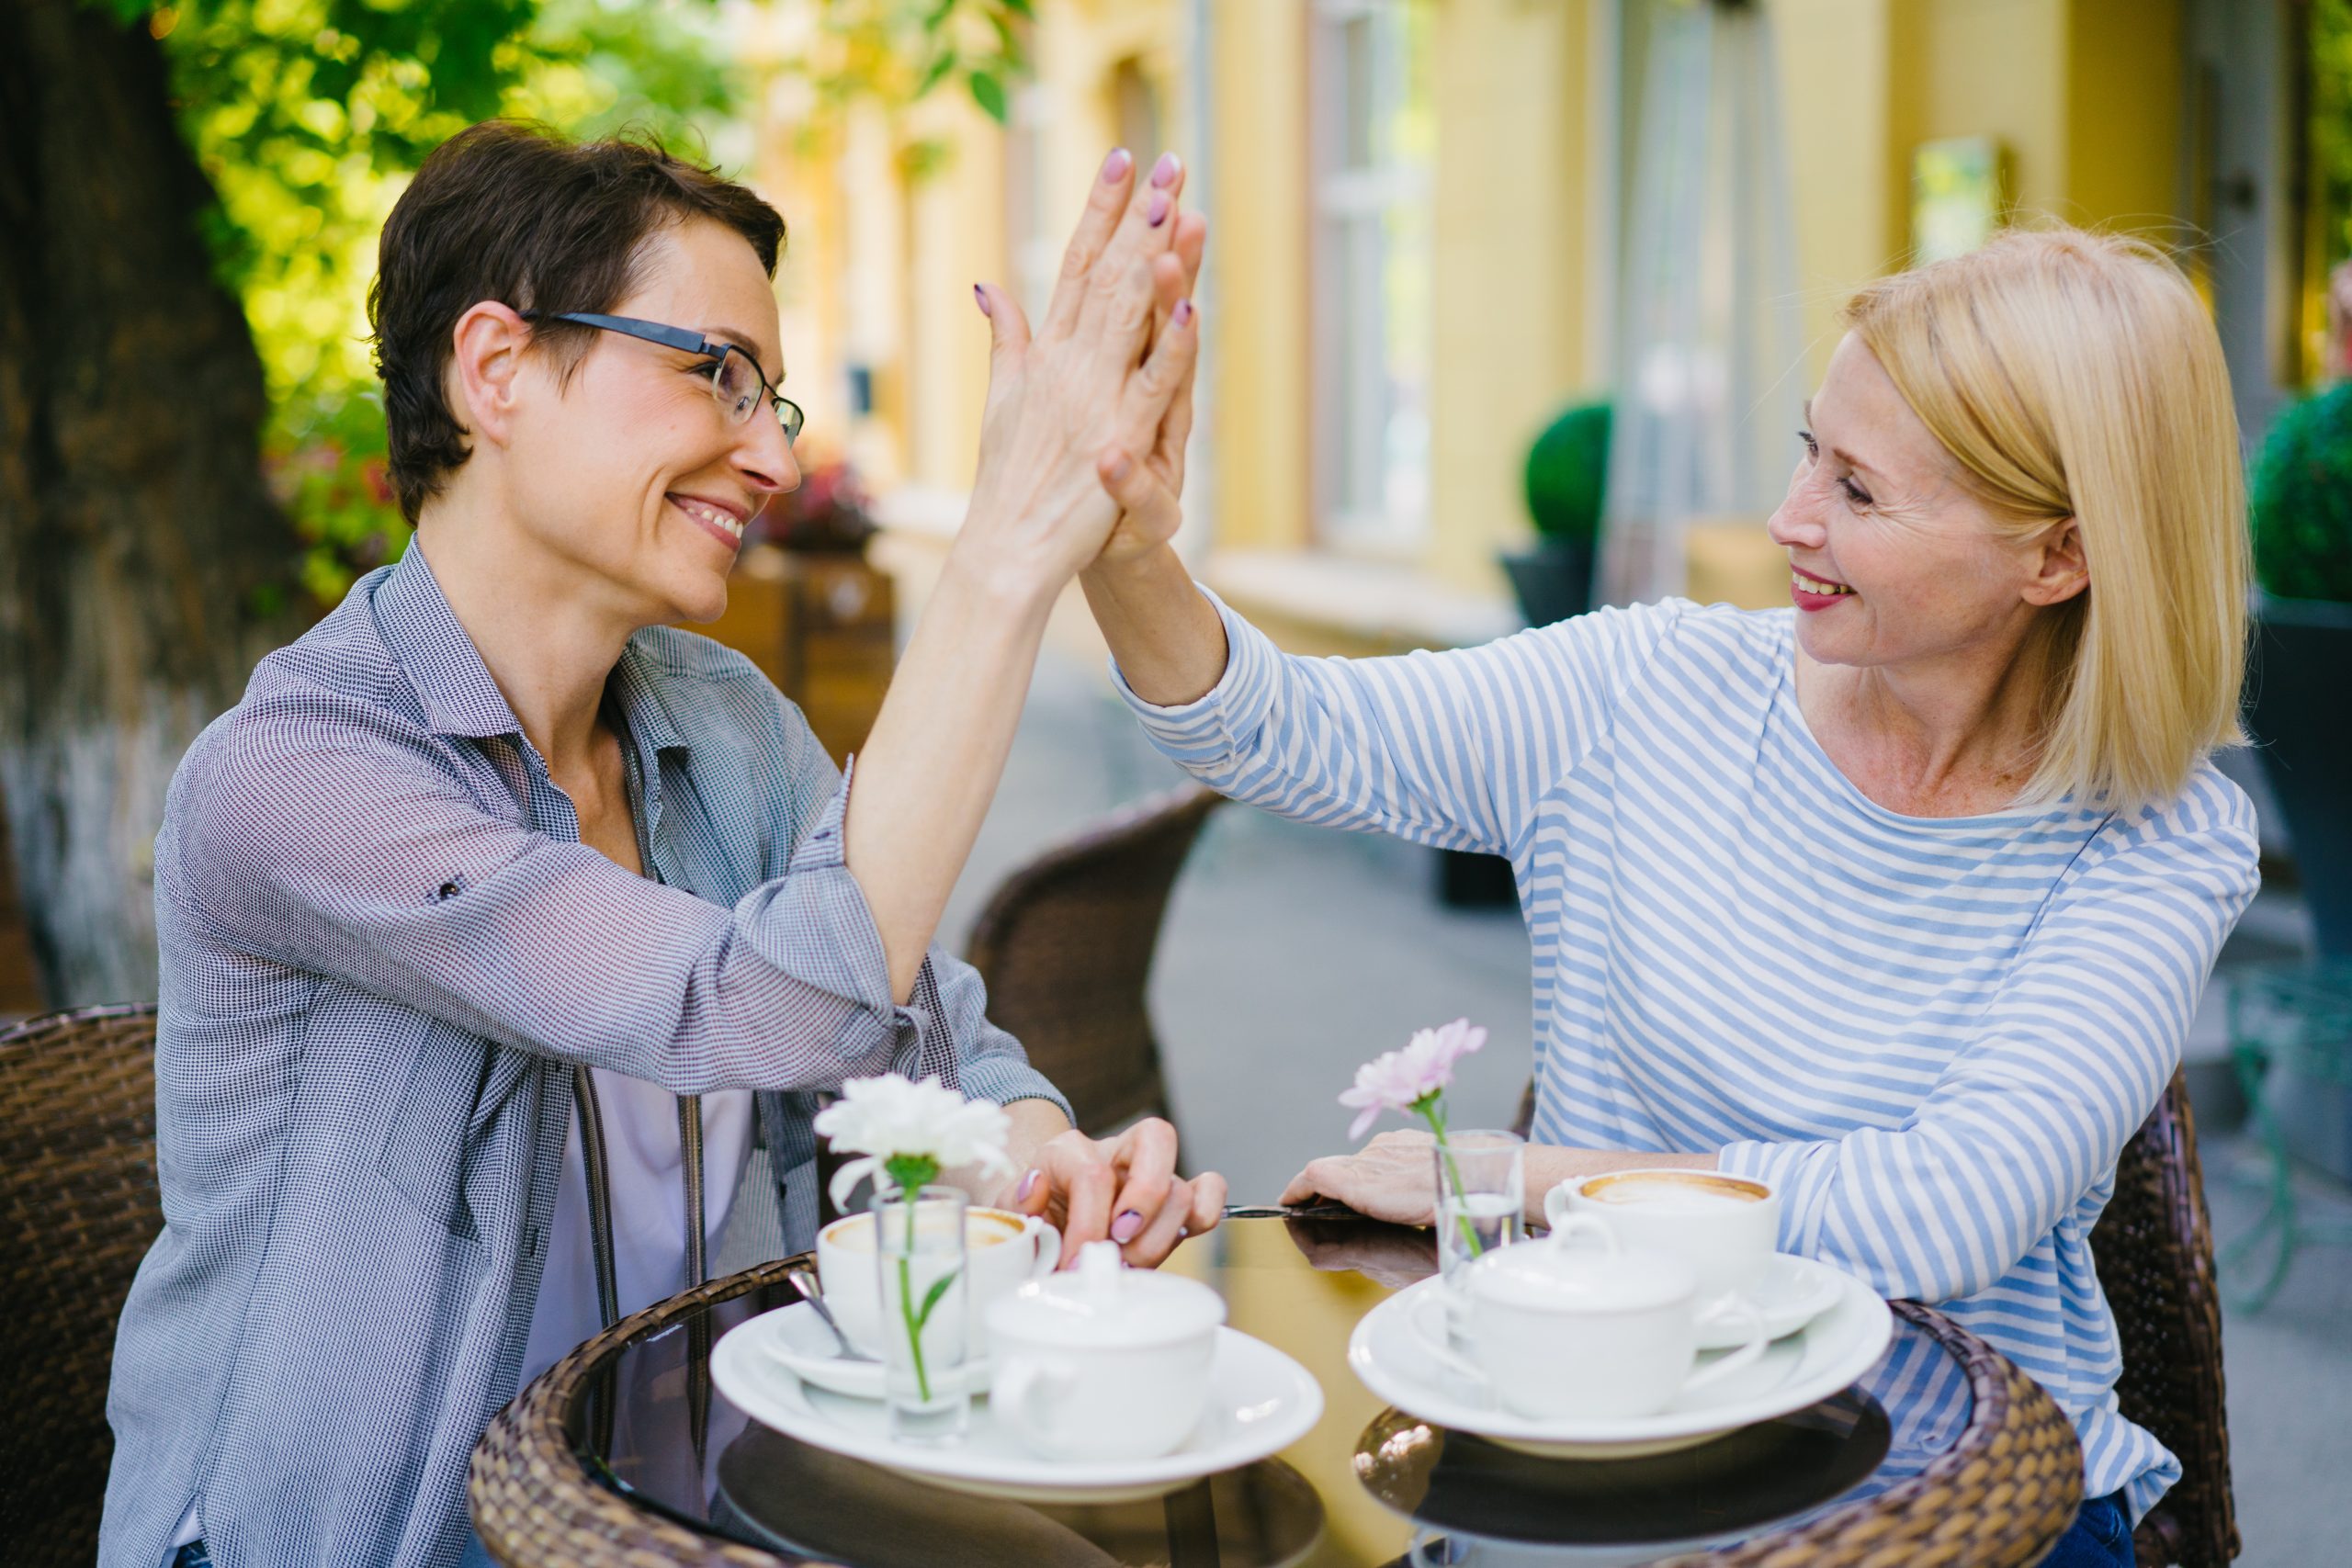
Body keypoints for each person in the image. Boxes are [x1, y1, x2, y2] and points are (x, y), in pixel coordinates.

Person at [101, 122, 1222, 1568]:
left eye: (776, 399)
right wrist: (1004, 557)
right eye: (716, 374)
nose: (768, 455)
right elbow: (757, 1000)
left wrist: (1034, 1150)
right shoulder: (294, 777)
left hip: (680, 1512)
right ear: (495, 369)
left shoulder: (719, 719)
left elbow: (909, 1033)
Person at [1085, 226, 2257, 1568]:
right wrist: (1126, 547)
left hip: (1967, 1484)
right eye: (1812, 447)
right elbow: (1274, 730)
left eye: (1862, 492)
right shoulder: (1651, 692)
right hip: (1601, 1440)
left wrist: (1523, 1182)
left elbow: (1948, 1208)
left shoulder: (2159, 841)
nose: (1790, 519)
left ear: (2057, 559)